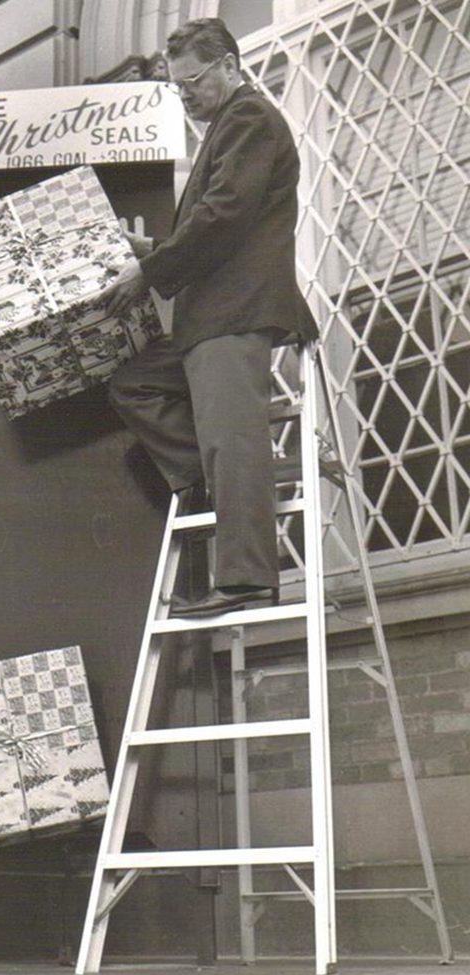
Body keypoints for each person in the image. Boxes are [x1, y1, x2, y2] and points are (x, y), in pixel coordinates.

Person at [105, 17, 318, 615]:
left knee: (231, 439)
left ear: (228, 65)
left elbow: (223, 216)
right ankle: (218, 476)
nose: (185, 94)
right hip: (208, 318)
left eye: (191, 81)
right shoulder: (227, 126)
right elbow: (216, 222)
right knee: (134, 383)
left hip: (235, 311)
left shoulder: (249, 119)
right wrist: (153, 252)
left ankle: (248, 578)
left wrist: (150, 271)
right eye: (176, 87)